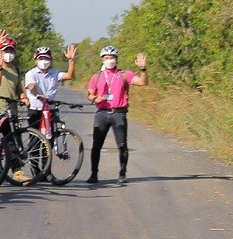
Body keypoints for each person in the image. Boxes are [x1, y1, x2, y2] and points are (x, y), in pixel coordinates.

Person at [85, 46, 149, 185]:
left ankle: (122, 174)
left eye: (112, 57)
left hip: (118, 113)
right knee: (96, 145)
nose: (110, 60)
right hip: (102, 113)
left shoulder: (124, 74)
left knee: (122, 144)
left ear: (117, 59)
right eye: (107, 58)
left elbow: (143, 82)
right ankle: (93, 174)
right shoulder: (96, 76)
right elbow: (90, 94)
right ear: (102, 59)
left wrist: (143, 69)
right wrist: (94, 98)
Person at [23, 44, 77, 127]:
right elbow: (31, 87)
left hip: (50, 108)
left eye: (46, 58)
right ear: (36, 60)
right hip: (35, 109)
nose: (44, 61)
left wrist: (71, 60)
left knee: (50, 137)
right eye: (41, 58)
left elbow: (69, 75)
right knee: (36, 137)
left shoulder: (54, 73)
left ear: (51, 60)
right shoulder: (31, 74)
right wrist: (38, 95)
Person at [0, 31, 24, 118]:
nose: (9, 53)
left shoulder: (16, 70)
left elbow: (19, 90)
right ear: (0, 52)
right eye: (6, 51)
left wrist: (24, 98)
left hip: (11, 109)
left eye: (11, 51)